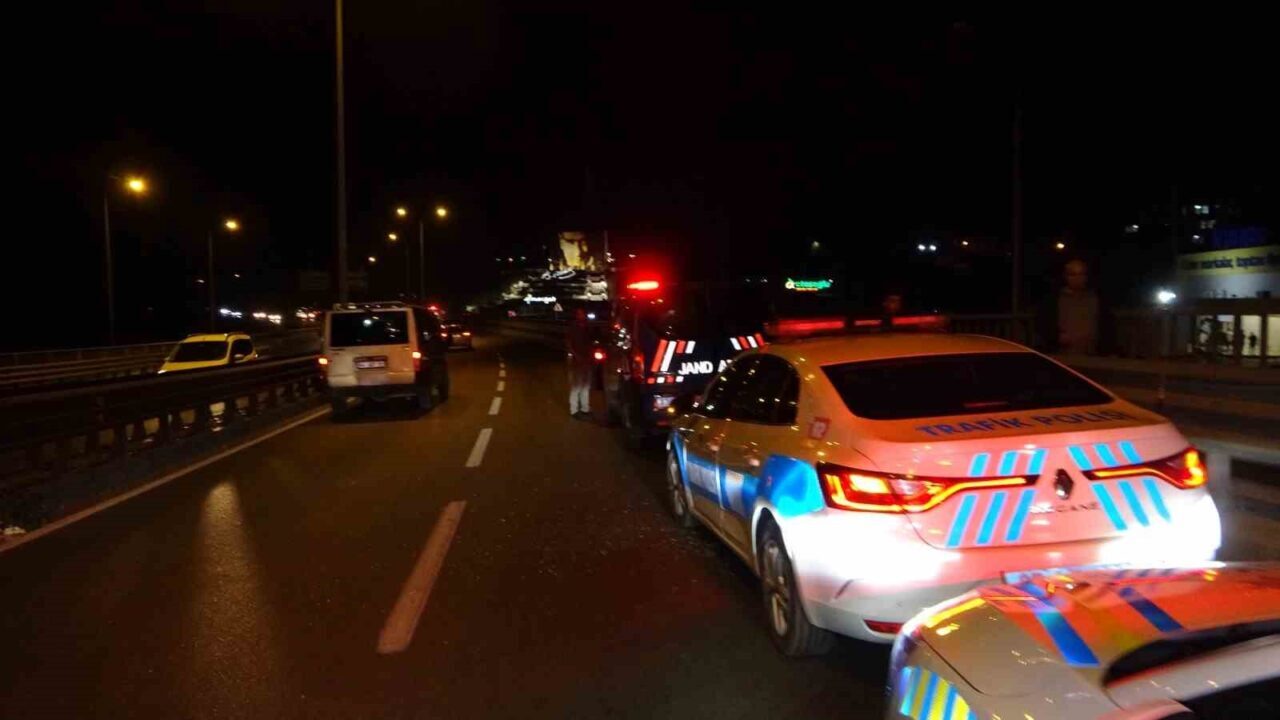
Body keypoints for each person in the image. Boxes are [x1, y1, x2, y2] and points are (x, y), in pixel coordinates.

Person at [1056, 259, 1099, 354]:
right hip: (1062, 354)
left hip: (1092, 354)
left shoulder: (1094, 299)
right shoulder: (1055, 300)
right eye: (1073, 274)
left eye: (1081, 274)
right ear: (1065, 276)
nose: (1077, 278)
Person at [565, 308, 593, 419]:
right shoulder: (573, 328)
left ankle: (585, 408)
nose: (582, 316)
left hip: (586, 360)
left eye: (583, 314)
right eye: (580, 314)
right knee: (576, 386)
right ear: (576, 315)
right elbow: (569, 344)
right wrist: (576, 355)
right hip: (577, 361)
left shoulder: (587, 327)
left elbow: (591, 342)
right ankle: (574, 410)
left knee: (586, 385)